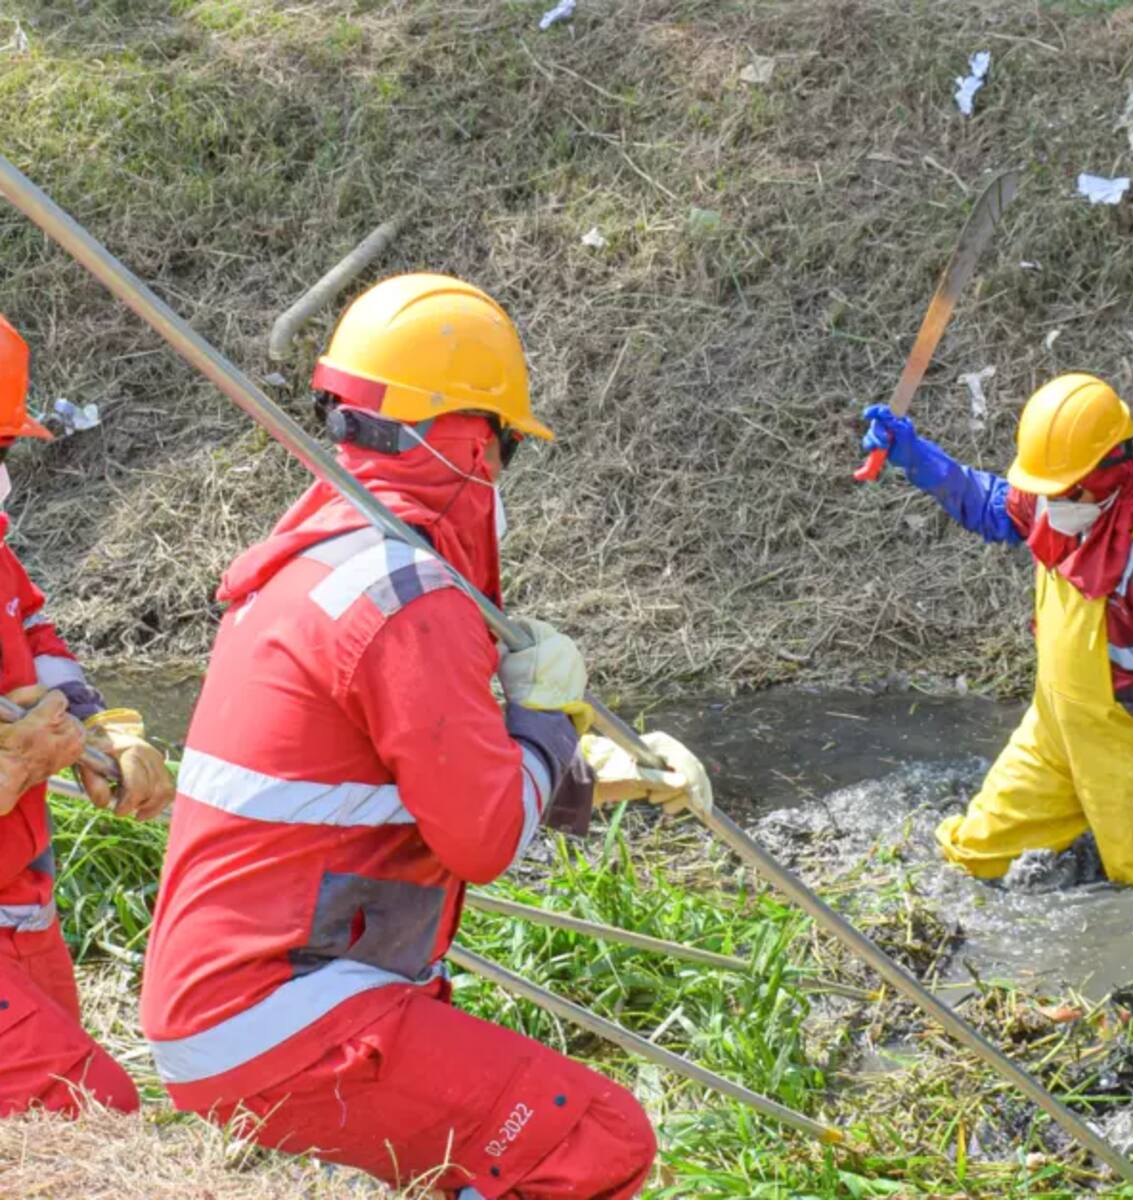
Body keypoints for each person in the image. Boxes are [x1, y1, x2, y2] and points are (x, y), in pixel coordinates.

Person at [141, 274, 713, 1199]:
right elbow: (483, 839)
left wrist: (597, 775)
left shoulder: (314, 564)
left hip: (235, 997)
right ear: (475, 442)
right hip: (282, 1011)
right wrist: (543, 717)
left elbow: (403, 771)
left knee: (477, 1159)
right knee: (598, 1138)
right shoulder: (406, 597)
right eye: (506, 450)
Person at [863, 373, 1133, 895]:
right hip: (1052, 730)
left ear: (1113, 465)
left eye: (1064, 487)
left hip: (1128, 752)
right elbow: (993, 504)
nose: (1050, 500)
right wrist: (919, 460)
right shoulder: (1058, 499)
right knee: (973, 856)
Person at [0, 314, 175, 1118]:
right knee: (93, 1111)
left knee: (65, 1094)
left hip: (18, 890)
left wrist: (100, 731)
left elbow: (32, 631)